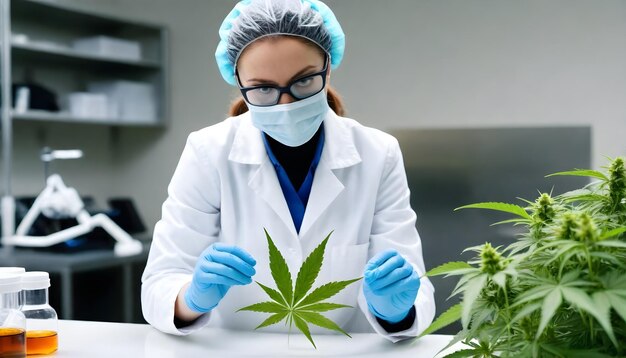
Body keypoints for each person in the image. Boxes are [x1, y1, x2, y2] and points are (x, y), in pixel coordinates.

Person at [141, 0, 435, 342]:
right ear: (239, 83)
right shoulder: (208, 152)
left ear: (328, 68)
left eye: (304, 81)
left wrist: (395, 310)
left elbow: (412, 281)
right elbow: (160, 283)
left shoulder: (378, 153)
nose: (287, 104)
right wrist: (191, 297)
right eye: (263, 88)